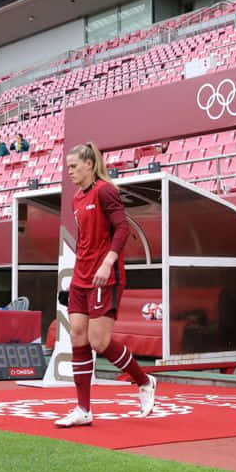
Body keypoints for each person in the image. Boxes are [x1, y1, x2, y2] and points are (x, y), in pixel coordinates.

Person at [55, 142, 156, 427]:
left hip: (105, 275)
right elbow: (84, 238)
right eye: (68, 168)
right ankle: (83, 409)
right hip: (80, 276)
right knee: (77, 336)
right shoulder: (76, 198)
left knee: (99, 342)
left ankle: (144, 381)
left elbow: (123, 227)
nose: (70, 172)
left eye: (74, 166)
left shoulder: (105, 190)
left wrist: (107, 262)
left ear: (89, 164)